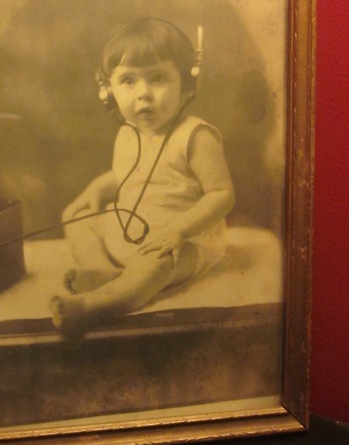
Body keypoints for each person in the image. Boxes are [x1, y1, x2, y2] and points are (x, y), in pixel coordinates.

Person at [50, 17, 235, 336]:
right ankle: (105, 273)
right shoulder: (128, 133)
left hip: (182, 240)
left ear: (187, 84)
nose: (144, 94)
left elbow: (222, 195)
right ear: (107, 90)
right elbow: (126, 176)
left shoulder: (195, 136)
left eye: (158, 78)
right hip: (132, 226)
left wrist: (178, 230)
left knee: (157, 266)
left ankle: (92, 307)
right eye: (128, 81)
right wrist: (96, 189)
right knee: (77, 216)